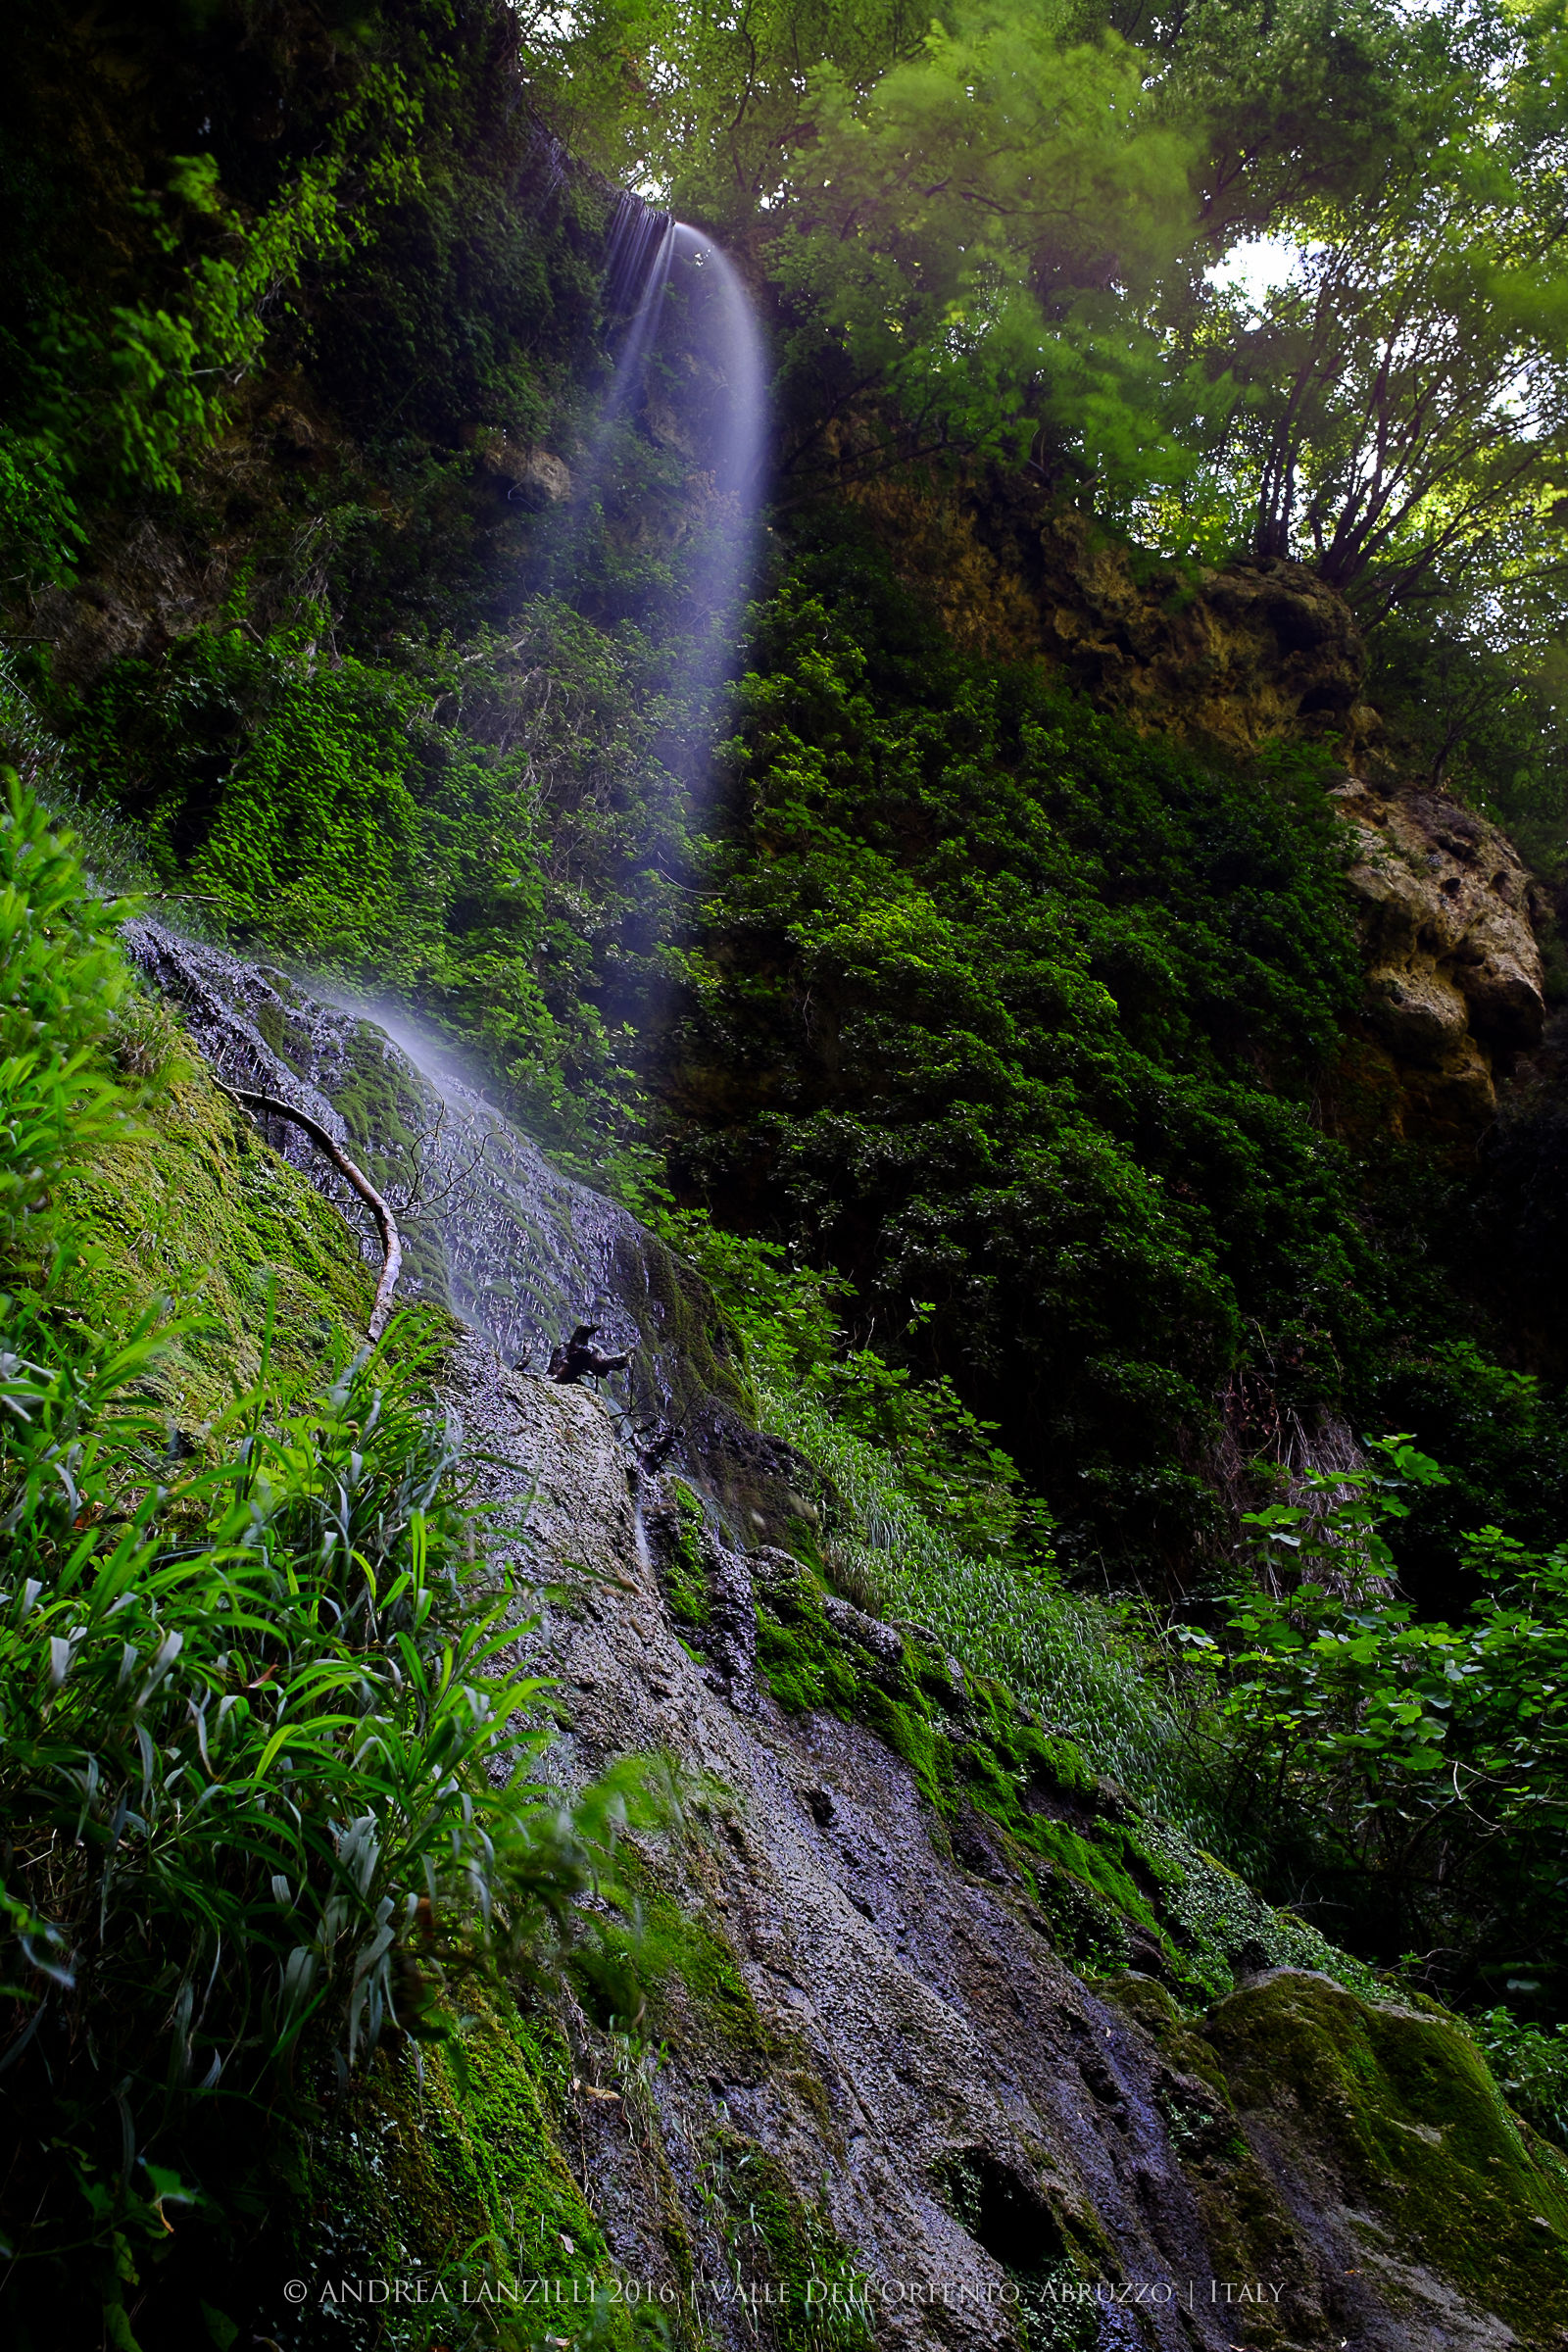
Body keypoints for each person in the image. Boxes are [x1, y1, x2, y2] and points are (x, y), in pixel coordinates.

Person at [544, 1323, 632, 1385]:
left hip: (574, 1362)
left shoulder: (591, 1353)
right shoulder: (571, 1351)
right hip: (566, 1364)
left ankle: (621, 1358)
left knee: (601, 1361)